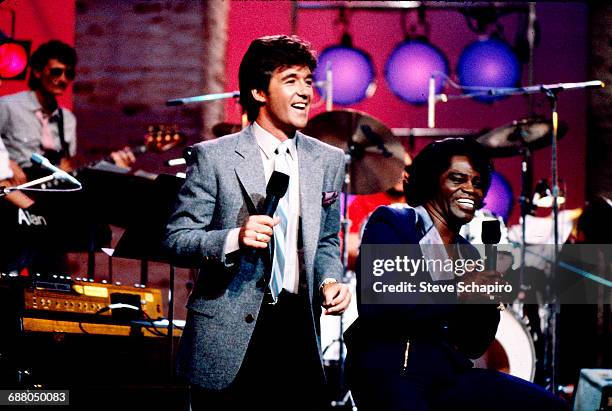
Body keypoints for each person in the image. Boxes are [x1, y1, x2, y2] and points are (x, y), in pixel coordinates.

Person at [164, 35, 351, 411]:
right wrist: (234, 238)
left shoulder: (327, 160)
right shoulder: (213, 157)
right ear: (258, 91)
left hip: (299, 328)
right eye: (291, 80)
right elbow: (177, 238)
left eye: (308, 80)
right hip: (228, 332)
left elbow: (328, 239)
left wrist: (332, 281)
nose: (305, 92)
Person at [344, 137, 569, 411]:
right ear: (431, 182)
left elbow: (473, 345)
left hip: (447, 376)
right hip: (392, 372)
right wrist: (459, 289)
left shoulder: (468, 254)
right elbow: (380, 303)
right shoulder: (394, 223)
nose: (470, 189)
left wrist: (488, 302)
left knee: (550, 407)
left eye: (477, 182)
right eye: (458, 179)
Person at [0, 40, 134, 184]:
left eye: (69, 74)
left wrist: (113, 166)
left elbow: (67, 167)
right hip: (14, 192)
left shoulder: (68, 119)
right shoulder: (9, 105)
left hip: (50, 193)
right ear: (38, 72)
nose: (63, 79)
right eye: (56, 72)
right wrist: (8, 163)